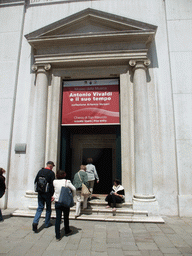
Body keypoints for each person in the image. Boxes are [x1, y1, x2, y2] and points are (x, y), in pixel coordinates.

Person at [52, 170, 76, 241]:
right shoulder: (67, 181)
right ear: (64, 175)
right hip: (65, 201)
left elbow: (55, 190)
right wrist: (72, 197)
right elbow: (74, 189)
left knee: (58, 219)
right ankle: (67, 230)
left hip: (57, 201)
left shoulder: (54, 181)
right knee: (66, 217)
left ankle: (57, 235)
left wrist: (54, 196)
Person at [32, 161, 55, 232]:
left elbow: (35, 181)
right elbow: (52, 184)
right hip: (47, 193)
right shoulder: (51, 173)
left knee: (40, 207)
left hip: (40, 192)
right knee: (48, 208)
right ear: (51, 166)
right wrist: (52, 194)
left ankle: (35, 221)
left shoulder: (40, 171)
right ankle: (47, 223)